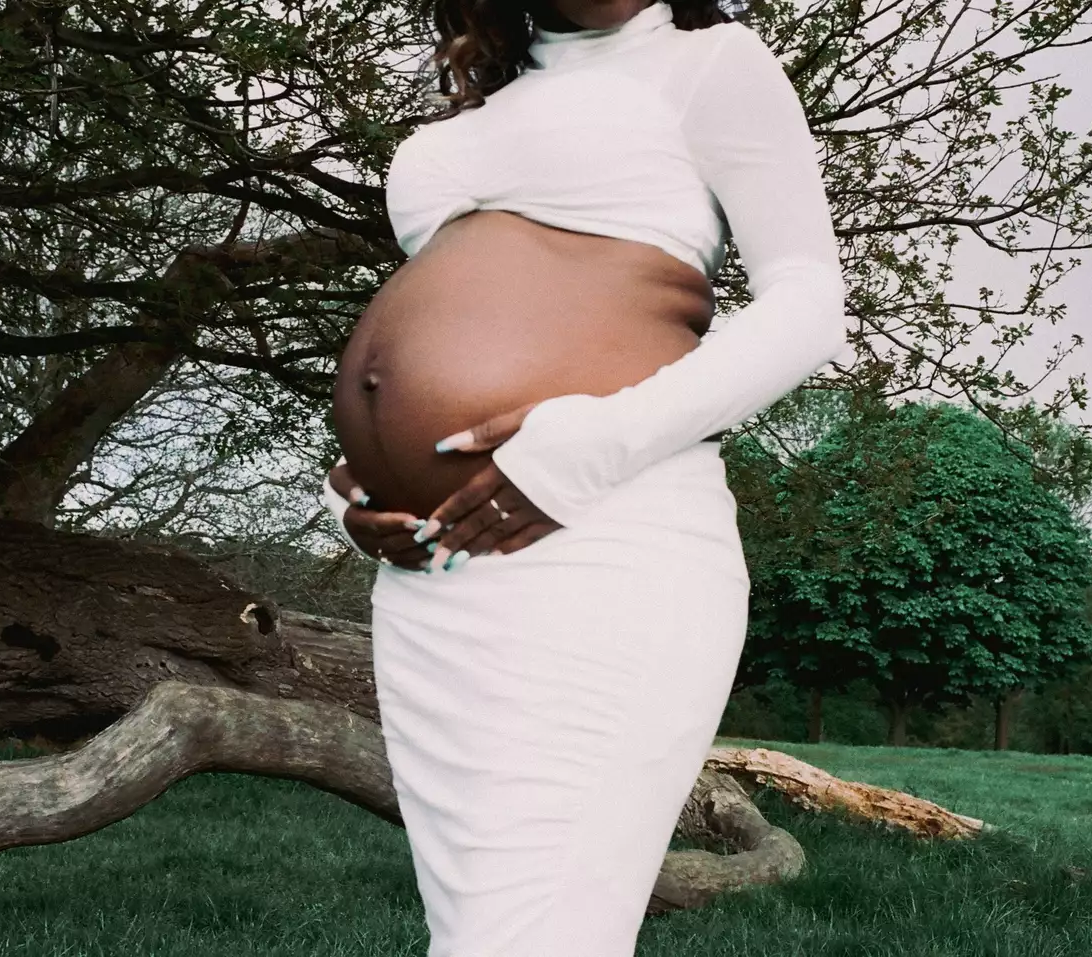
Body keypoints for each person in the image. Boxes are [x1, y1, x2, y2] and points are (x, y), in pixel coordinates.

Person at [320, 0, 849, 953]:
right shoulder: (483, 113)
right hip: (434, 578)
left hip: (604, 538)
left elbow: (809, 305)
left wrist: (584, 448)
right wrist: (359, 480)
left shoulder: (710, 64)